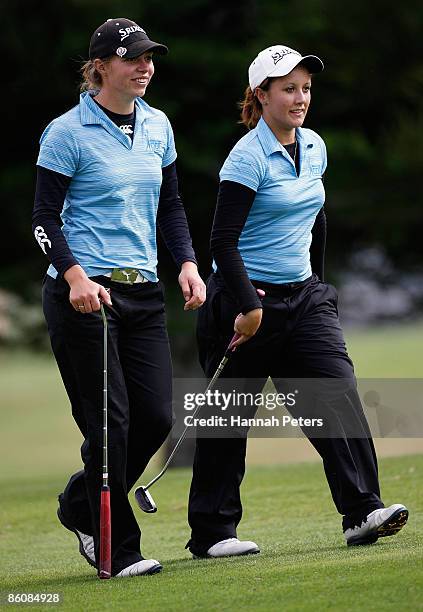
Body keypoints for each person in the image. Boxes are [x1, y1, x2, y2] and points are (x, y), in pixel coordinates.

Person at [186, 45, 408, 559]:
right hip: (245, 302)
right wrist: (247, 304)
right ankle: (213, 533)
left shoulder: (315, 146)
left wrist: (320, 290)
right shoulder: (245, 158)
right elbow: (222, 241)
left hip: (303, 300)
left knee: (336, 394)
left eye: (305, 88)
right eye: (288, 88)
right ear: (261, 96)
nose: (300, 97)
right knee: (229, 420)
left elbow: (316, 219)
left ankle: (362, 511)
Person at [32, 17, 205, 578]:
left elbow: (172, 206)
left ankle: (80, 505)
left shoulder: (158, 126)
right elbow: (42, 220)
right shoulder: (66, 132)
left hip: (145, 294)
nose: (144, 67)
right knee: (111, 424)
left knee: (155, 416)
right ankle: (117, 548)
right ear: (100, 67)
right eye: (132, 58)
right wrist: (75, 276)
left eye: (149, 58)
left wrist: (185, 261)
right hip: (86, 297)